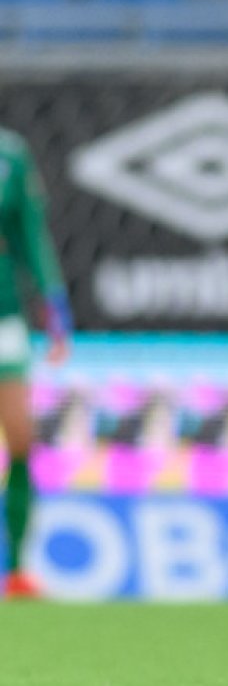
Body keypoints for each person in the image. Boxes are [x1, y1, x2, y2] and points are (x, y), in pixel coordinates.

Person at [0, 127, 73, 600]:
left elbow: (29, 233)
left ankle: (18, 569)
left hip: (4, 317)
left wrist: (53, 304)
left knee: (21, 436)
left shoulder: (10, 155)